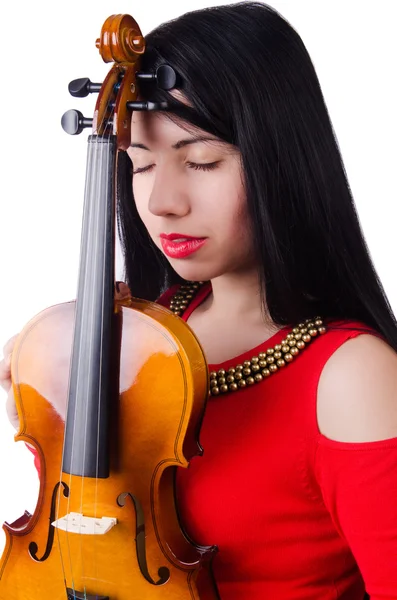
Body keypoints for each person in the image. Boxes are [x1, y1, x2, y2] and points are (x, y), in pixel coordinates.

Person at [1, 2, 397, 598]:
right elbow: (81, 538)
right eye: (139, 164)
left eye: (201, 160)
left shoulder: (352, 376)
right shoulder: (140, 335)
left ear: (280, 163)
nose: (162, 201)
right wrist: (45, 402)